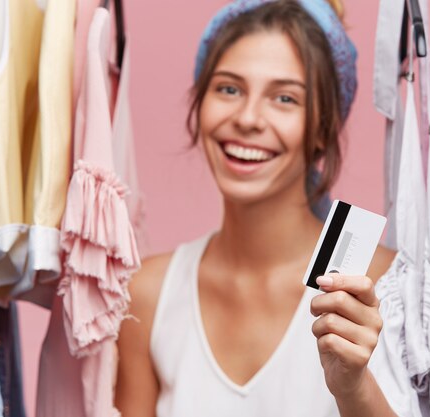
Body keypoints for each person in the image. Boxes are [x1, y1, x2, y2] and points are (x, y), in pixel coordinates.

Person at [115, 1, 397, 416]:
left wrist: (353, 387)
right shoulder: (146, 295)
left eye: (284, 98)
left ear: (323, 129)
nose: (248, 118)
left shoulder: (383, 284)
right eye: (229, 89)